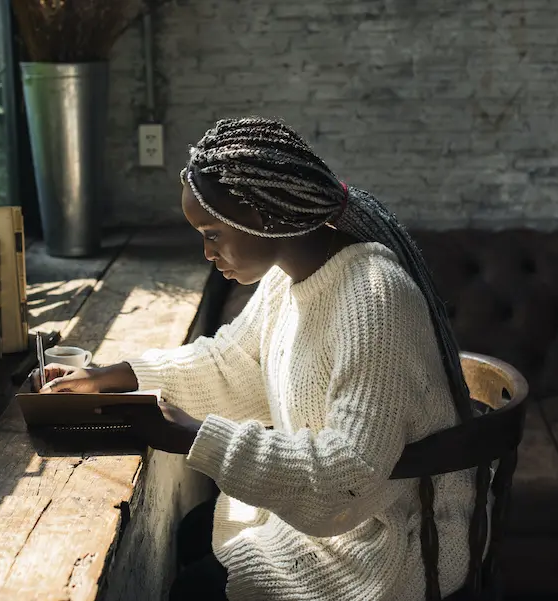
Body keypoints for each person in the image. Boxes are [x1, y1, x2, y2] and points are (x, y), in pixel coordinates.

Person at [36, 117, 480, 601]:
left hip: (396, 539)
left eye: (211, 234)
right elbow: (234, 366)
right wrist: (113, 376)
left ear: (262, 217)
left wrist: (192, 435)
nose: (206, 252)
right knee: (192, 534)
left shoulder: (374, 295)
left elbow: (349, 474)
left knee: (193, 590)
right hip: (344, 516)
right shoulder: (286, 279)